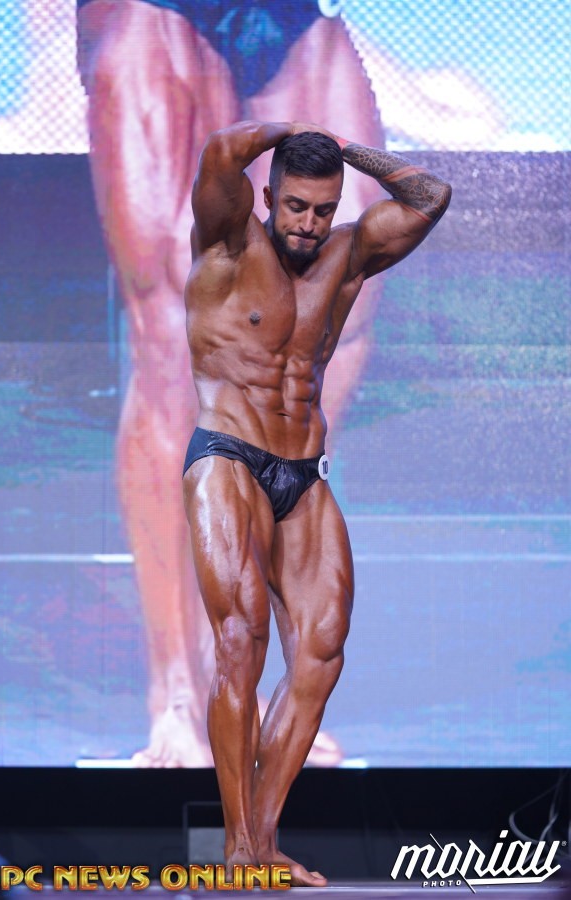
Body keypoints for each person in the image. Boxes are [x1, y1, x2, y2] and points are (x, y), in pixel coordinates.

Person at [76, 0, 385, 767]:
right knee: (171, 320)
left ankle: (245, 673)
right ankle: (180, 695)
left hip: (293, 14)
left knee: (339, 310)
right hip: (159, 9)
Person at [183, 121, 451, 884]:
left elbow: (430, 196)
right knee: (243, 638)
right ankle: (236, 848)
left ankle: (264, 843)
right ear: (269, 197)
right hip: (228, 455)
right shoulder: (227, 244)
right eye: (295, 206)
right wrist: (293, 130)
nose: (307, 223)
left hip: (304, 472)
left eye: (322, 209)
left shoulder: (348, 254)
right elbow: (220, 156)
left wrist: (345, 150)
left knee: (321, 653)